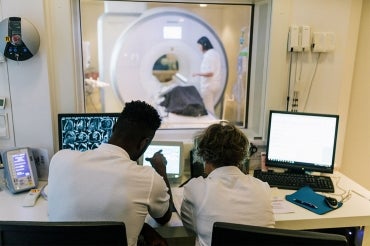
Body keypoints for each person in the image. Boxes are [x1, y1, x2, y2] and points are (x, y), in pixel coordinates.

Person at [48, 100, 173, 246]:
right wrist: (161, 170)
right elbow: (164, 218)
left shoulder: (59, 159)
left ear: (113, 128)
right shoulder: (148, 178)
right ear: (143, 143)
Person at [180, 121, 275, 246]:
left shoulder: (194, 189)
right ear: (241, 156)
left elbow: (192, 227)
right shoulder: (263, 187)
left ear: (204, 156)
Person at [192, 36, 222, 116]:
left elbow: (210, 73)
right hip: (216, 84)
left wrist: (197, 73)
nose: (199, 48)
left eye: (199, 45)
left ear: (204, 44)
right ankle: (211, 124)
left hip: (209, 86)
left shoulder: (209, 55)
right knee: (210, 107)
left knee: (208, 109)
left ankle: (210, 125)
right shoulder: (215, 53)